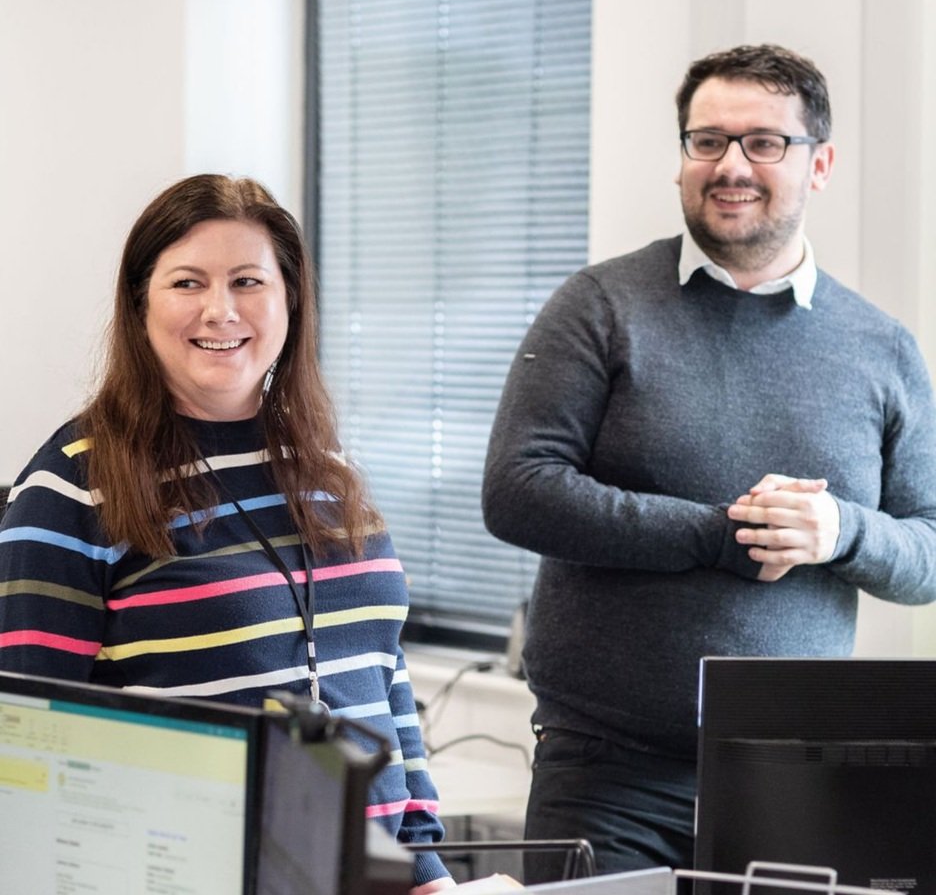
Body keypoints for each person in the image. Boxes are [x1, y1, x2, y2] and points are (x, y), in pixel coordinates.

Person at [482, 44, 936, 882]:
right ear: (683, 157)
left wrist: (841, 531)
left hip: (798, 782)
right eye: (707, 141)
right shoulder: (600, 306)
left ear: (820, 164)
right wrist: (717, 535)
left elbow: (928, 550)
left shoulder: (883, 349)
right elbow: (519, 491)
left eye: (764, 142)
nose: (731, 165)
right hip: (606, 774)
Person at [0, 174, 453, 894]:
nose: (221, 310)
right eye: (188, 282)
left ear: (289, 299)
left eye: (248, 281)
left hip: (369, 880)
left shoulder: (325, 469)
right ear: (141, 303)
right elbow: (24, 735)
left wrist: (425, 867)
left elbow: (383, 675)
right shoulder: (74, 485)